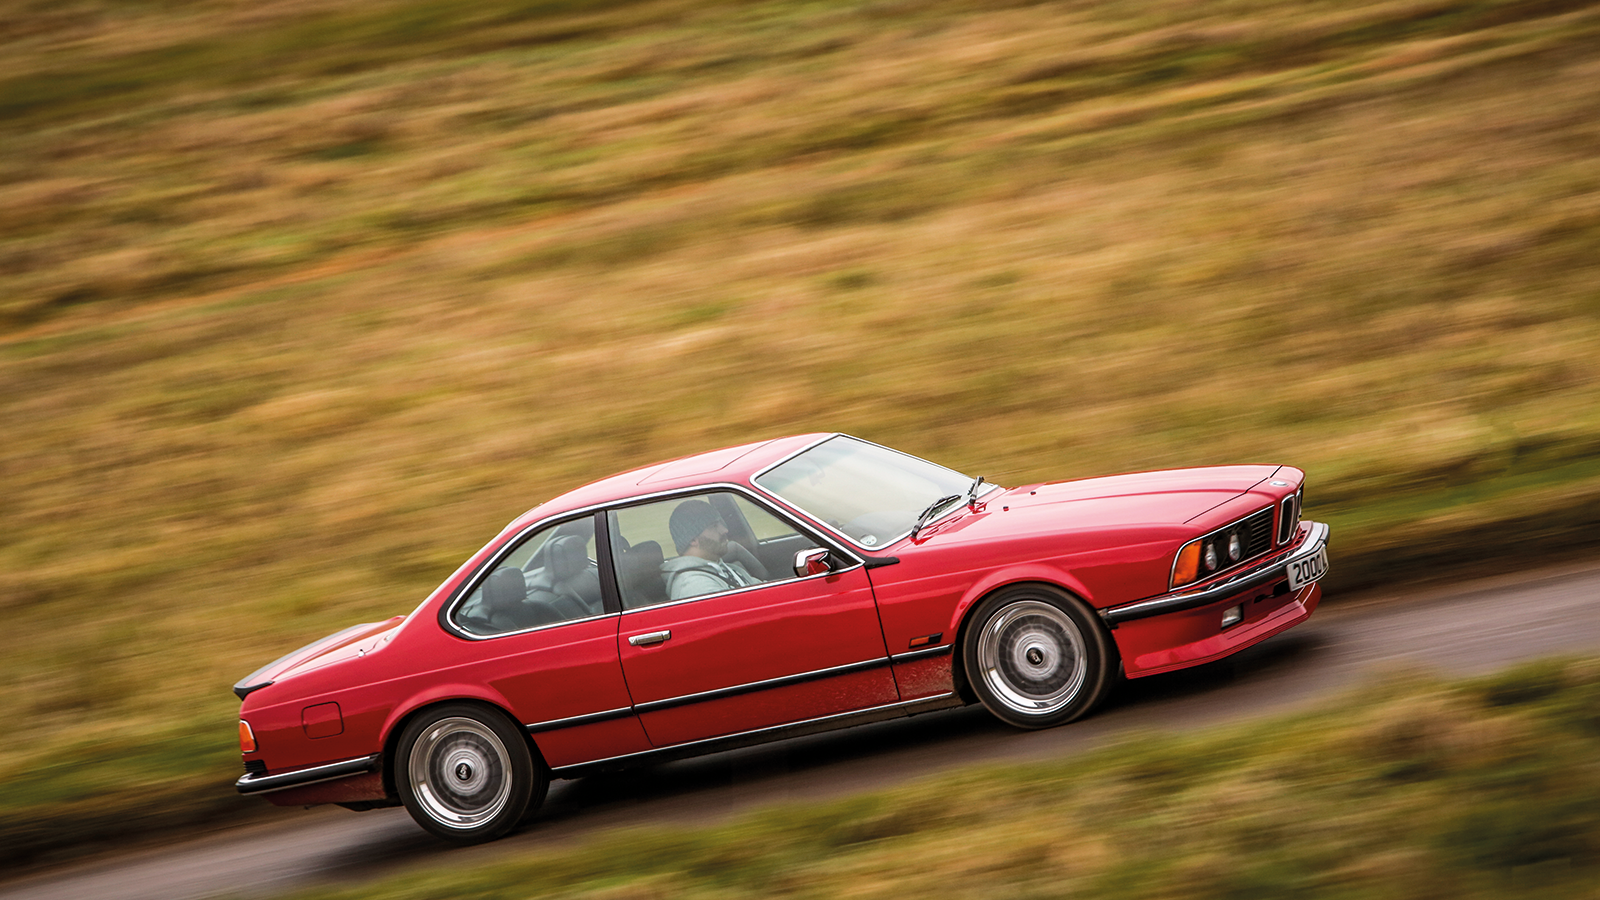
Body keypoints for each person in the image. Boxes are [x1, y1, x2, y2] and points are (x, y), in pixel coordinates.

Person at [661, 499, 767, 601]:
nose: (725, 530)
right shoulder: (696, 586)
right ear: (693, 540)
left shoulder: (726, 568)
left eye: (721, 523)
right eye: (714, 526)